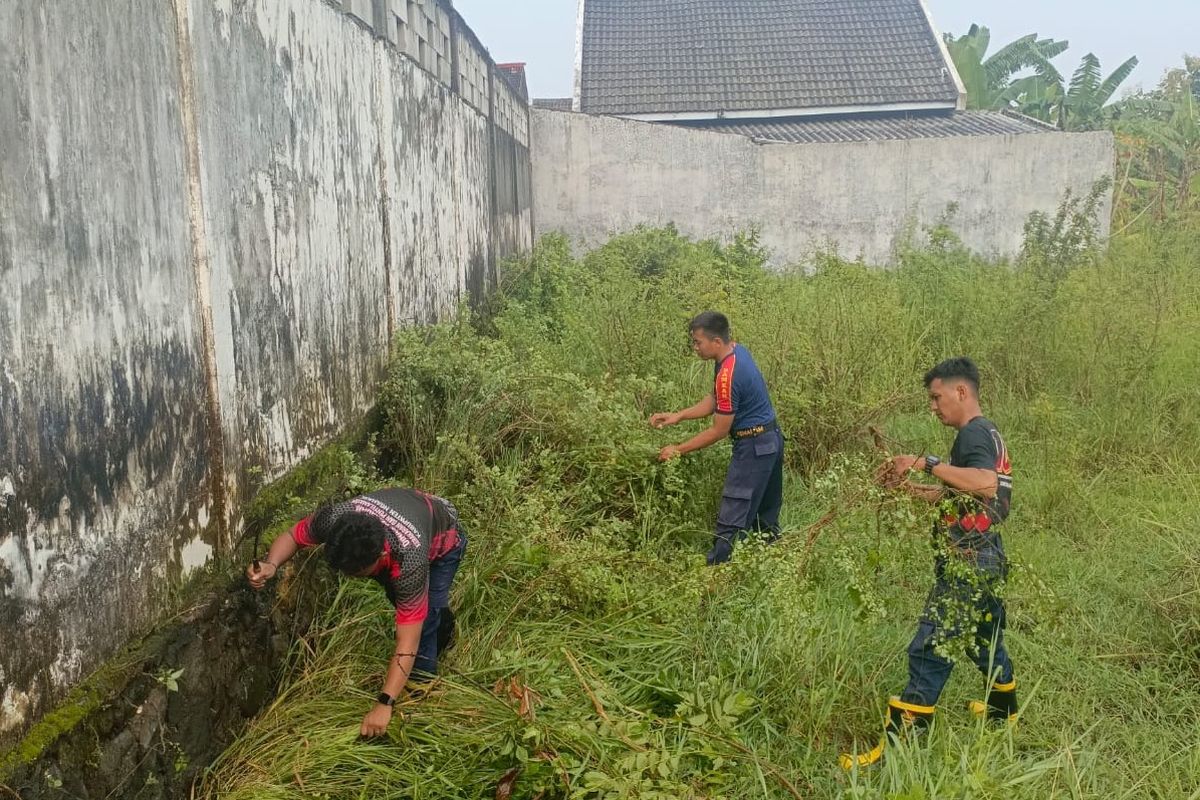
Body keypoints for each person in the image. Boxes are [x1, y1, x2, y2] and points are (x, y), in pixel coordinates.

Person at [840, 357, 1017, 769]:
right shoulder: (986, 433)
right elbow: (966, 494)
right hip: (988, 554)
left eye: (937, 397)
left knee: (930, 648)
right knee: (984, 638)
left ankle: (896, 755)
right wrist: (911, 491)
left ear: (961, 392)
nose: (933, 406)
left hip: (968, 560)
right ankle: (1003, 715)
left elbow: (986, 484)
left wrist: (925, 461)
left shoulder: (973, 433)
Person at [246, 487, 467, 738]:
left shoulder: (409, 563)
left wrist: (384, 703)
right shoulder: (335, 519)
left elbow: (407, 641)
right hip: (411, 511)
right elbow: (293, 536)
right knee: (410, 608)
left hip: (445, 540)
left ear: (381, 556)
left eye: (355, 572)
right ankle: (439, 628)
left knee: (425, 620)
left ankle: (421, 688)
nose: (348, 577)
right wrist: (271, 564)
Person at [650, 311, 784, 565]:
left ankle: (715, 574)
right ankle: (771, 563)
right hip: (771, 440)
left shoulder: (728, 374)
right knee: (765, 514)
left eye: (698, 342)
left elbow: (719, 430)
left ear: (716, 342)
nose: (695, 348)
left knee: (733, 515)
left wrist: (678, 449)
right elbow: (717, 399)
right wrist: (678, 415)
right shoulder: (735, 352)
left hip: (753, 447)